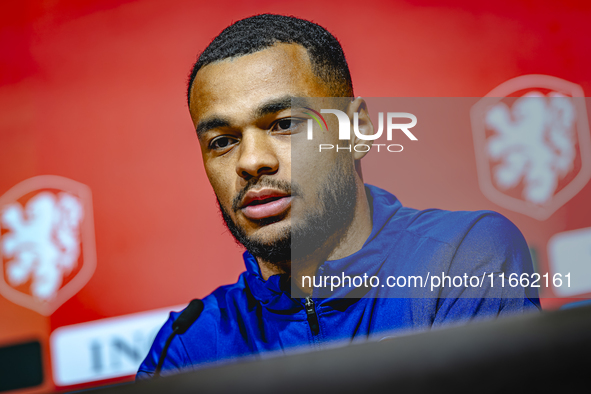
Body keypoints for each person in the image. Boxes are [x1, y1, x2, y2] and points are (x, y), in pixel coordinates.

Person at [137, 14, 539, 378]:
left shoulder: (459, 257)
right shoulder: (189, 344)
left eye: (285, 124)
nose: (251, 161)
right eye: (223, 141)